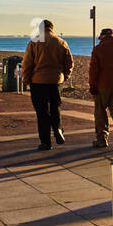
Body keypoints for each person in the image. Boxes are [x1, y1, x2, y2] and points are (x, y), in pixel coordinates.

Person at [22, 19, 73, 151]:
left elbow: (27, 63)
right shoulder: (61, 42)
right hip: (56, 81)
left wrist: (26, 79)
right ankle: (57, 129)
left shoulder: (34, 42)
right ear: (52, 28)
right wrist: (64, 76)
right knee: (55, 107)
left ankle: (46, 142)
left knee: (42, 112)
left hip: (38, 82)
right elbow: (69, 63)